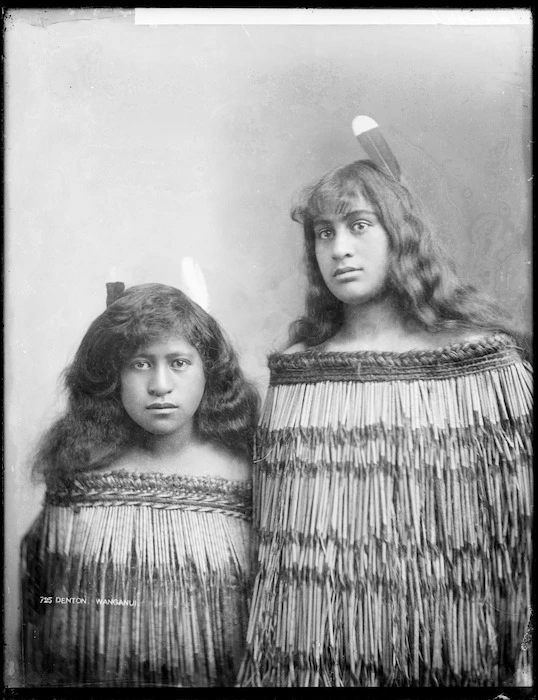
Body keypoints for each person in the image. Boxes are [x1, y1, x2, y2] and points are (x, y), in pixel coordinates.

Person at [238, 159, 532, 687]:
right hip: (317, 646)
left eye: (358, 225)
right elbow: (275, 549)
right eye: (323, 233)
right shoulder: (299, 373)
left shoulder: (482, 366)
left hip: (448, 640)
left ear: (401, 234)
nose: (339, 249)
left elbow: (519, 540)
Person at [21, 283, 259, 687]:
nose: (160, 385)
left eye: (179, 363)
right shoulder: (81, 475)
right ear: (112, 376)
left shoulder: (245, 474)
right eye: (140, 364)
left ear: (208, 371)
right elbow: (43, 606)